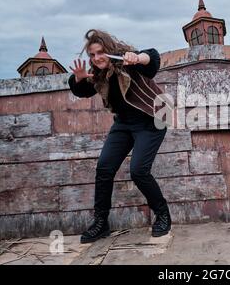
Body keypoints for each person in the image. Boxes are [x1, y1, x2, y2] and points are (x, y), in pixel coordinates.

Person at [68, 29, 172, 243]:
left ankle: (162, 215)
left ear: (110, 50)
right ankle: (101, 223)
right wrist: (77, 80)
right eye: (92, 55)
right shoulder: (98, 74)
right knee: (104, 167)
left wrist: (138, 58)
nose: (96, 59)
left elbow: (152, 58)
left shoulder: (128, 61)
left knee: (138, 171)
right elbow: (82, 91)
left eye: (100, 53)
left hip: (152, 119)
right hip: (124, 124)